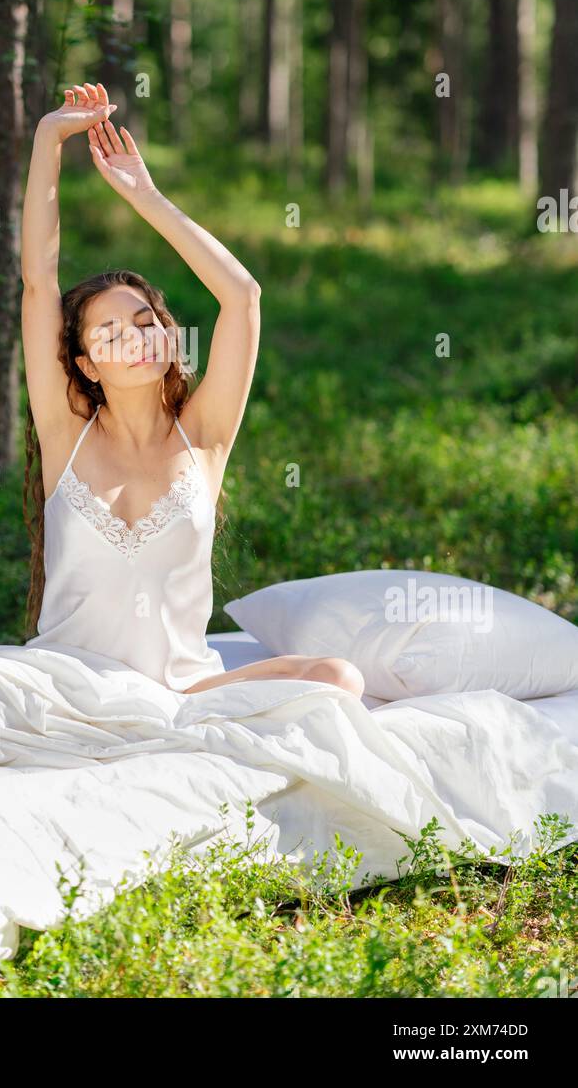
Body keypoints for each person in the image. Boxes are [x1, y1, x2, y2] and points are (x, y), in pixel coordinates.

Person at [20, 80, 365, 698]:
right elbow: (39, 282)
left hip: (182, 694)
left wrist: (146, 196)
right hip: (67, 691)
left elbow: (243, 295)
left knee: (336, 677)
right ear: (86, 365)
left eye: (147, 321)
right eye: (110, 330)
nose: (136, 336)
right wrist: (49, 138)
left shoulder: (201, 436)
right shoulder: (65, 432)